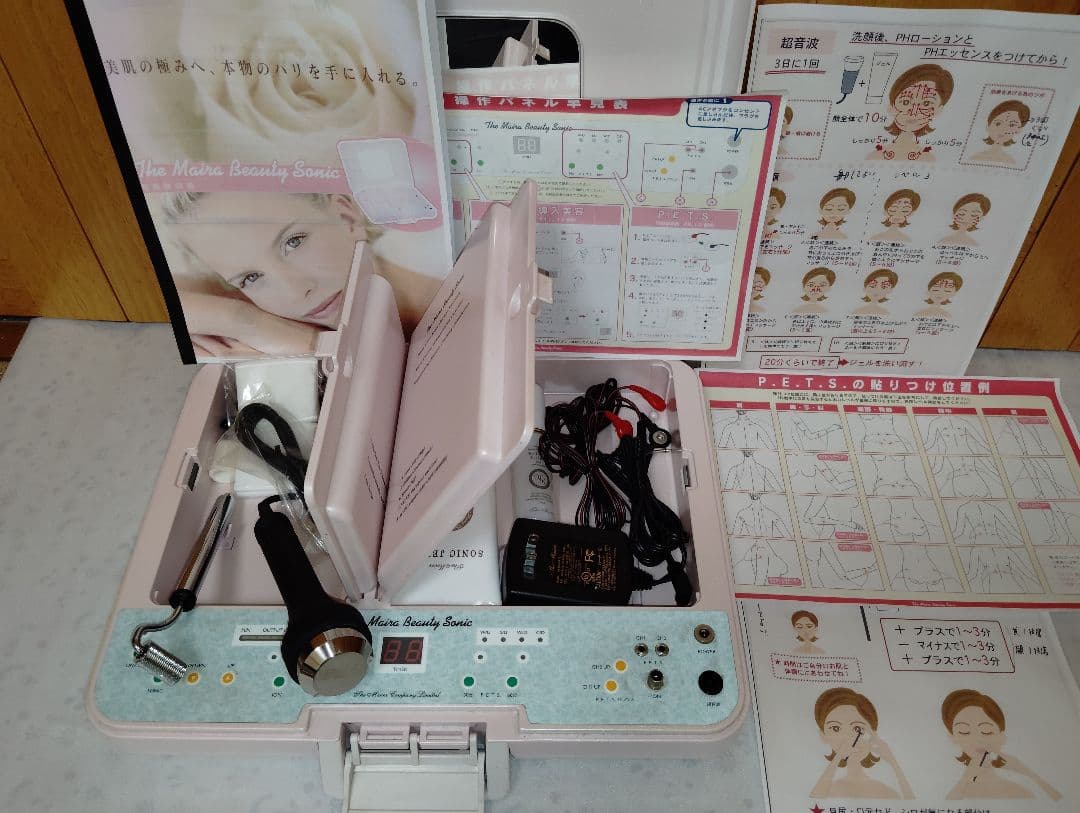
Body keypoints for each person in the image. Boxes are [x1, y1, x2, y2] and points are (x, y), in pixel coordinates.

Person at [161, 191, 441, 357]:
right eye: (251, 278)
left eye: (293, 242)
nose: (296, 291)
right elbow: (169, 296)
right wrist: (247, 322)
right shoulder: (281, 321)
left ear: (347, 217)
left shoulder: (451, 280)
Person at [941, 689, 1061, 800]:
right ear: (953, 738)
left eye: (986, 731)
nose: (977, 739)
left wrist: (1029, 773)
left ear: (1001, 736)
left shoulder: (1020, 792)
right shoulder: (951, 788)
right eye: (964, 731)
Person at [810, 687, 914, 799]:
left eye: (857, 729)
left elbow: (912, 804)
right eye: (836, 728)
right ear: (823, 735)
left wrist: (893, 762)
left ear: (873, 735)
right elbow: (815, 800)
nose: (849, 739)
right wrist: (838, 757)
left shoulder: (886, 792)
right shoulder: (829, 790)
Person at [869, 63, 954, 162]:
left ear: (938, 110)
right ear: (891, 106)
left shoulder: (928, 159)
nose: (914, 112)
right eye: (906, 102)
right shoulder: (875, 156)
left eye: (926, 103)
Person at [969, 100, 1030, 165]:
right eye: (998, 123)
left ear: (1019, 130)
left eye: (1011, 125)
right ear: (988, 126)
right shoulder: (975, 158)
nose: (1003, 129)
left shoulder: (1011, 161)